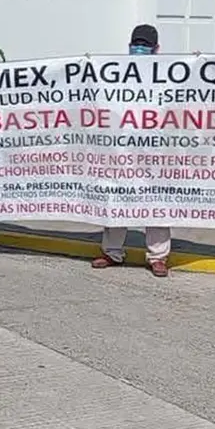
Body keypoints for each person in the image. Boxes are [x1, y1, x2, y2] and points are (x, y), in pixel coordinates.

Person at [91, 24, 173, 277]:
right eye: (136, 44)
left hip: (155, 151)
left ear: (156, 49)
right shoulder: (115, 74)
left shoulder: (169, 76)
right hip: (122, 150)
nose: (139, 49)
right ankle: (112, 252)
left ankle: (158, 257)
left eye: (145, 45)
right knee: (117, 199)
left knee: (157, 203)